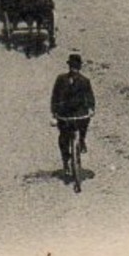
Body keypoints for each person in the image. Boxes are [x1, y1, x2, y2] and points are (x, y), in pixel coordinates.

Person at [50, 52, 96, 183]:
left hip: (79, 113)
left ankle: (81, 140)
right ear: (69, 67)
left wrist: (91, 109)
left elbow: (90, 97)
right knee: (63, 138)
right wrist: (54, 113)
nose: (73, 69)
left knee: (84, 125)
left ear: (79, 68)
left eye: (75, 67)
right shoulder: (61, 79)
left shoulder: (85, 81)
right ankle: (66, 159)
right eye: (71, 66)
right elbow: (55, 97)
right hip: (64, 114)